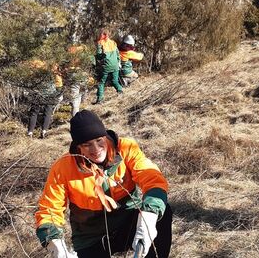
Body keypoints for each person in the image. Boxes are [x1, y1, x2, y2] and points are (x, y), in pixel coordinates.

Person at [35, 110, 173, 258]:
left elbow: (152, 177)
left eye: (99, 141)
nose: (96, 150)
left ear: (105, 137)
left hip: (129, 220)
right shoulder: (63, 167)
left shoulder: (126, 148)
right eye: (87, 145)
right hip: (90, 235)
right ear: (78, 147)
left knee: (163, 213)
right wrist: (54, 244)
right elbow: (49, 209)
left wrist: (149, 215)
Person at [27, 60, 63, 139]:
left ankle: (30, 132)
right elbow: (58, 80)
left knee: (33, 113)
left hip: (37, 93)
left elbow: (29, 77)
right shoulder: (53, 64)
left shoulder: (35, 62)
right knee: (48, 112)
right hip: (50, 94)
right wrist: (58, 91)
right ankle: (44, 131)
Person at [94, 28, 123, 104]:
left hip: (106, 65)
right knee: (115, 80)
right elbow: (117, 54)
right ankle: (120, 91)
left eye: (100, 34)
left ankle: (99, 99)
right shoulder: (113, 42)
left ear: (103, 35)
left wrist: (97, 61)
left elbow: (99, 55)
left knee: (101, 82)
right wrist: (118, 63)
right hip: (116, 65)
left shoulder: (100, 43)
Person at [65, 44, 92, 116]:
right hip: (83, 75)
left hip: (73, 75)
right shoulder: (83, 55)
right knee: (82, 95)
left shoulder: (70, 55)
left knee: (75, 99)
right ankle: (84, 114)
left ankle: (76, 117)